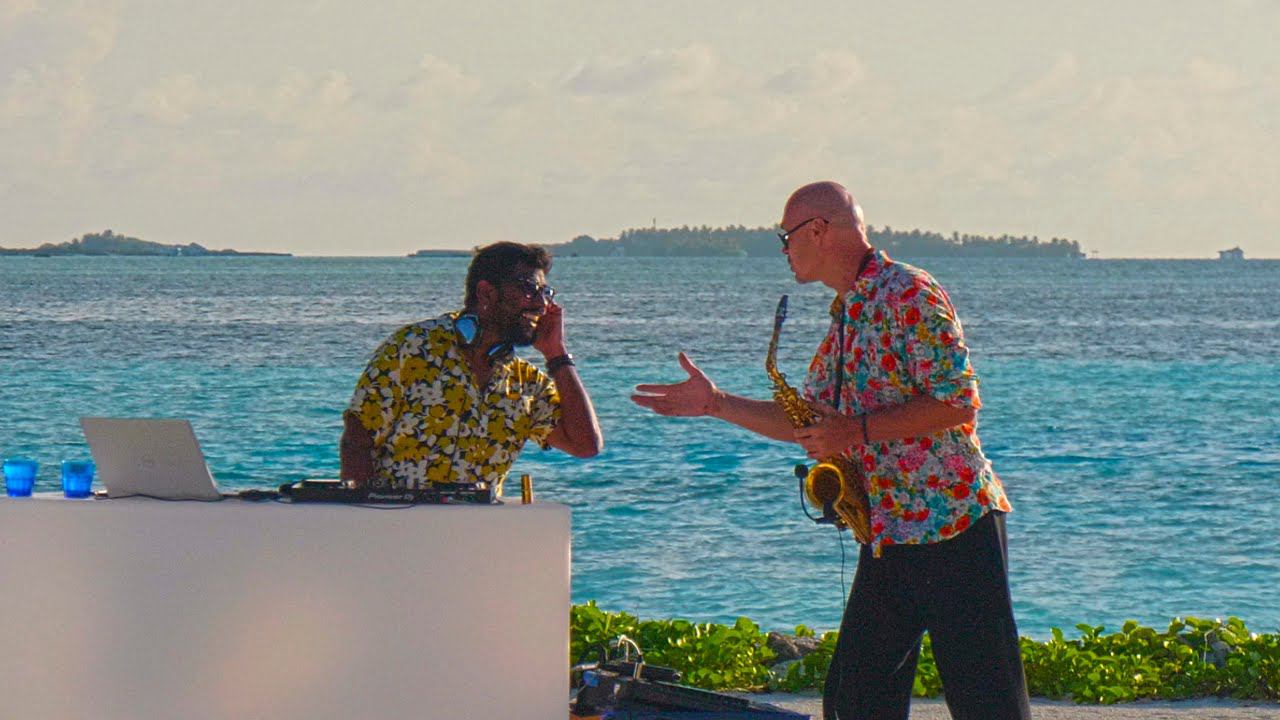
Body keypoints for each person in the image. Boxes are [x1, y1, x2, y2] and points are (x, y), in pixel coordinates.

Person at [630, 182, 1030, 720]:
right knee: (853, 702)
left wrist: (855, 433)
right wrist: (717, 404)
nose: (783, 250)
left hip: (955, 525)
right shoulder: (845, 313)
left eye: (786, 237)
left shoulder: (909, 292)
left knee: (989, 705)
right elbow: (811, 423)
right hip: (887, 532)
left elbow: (958, 403)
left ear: (818, 229)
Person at [341, 241, 603, 490]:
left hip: (477, 522)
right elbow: (357, 440)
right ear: (486, 292)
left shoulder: (526, 383)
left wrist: (557, 354)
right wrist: (370, 511)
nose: (542, 304)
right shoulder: (413, 348)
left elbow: (585, 445)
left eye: (545, 293)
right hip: (397, 518)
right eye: (529, 289)